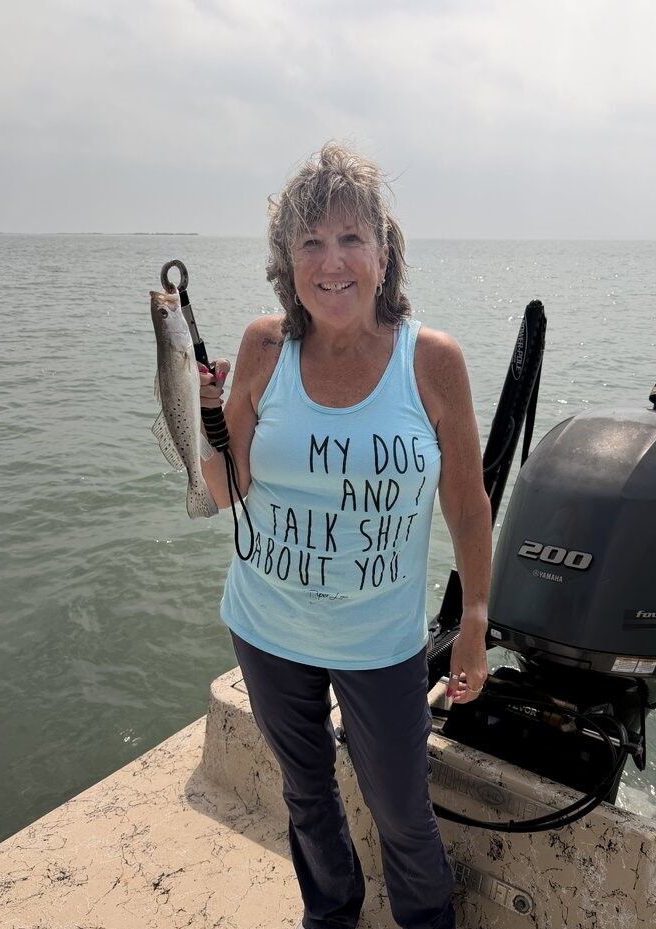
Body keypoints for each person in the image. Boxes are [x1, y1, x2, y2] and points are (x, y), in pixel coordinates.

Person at [199, 142, 491, 929]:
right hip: (265, 628)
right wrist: (207, 416)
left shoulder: (431, 362)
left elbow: (468, 503)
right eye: (310, 242)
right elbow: (224, 489)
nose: (333, 261)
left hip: (382, 642)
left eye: (351, 237)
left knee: (401, 808)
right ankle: (331, 912)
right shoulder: (265, 348)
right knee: (306, 793)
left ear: (384, 253)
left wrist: (473, 625)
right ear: (286, 262)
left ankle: (426, 919)